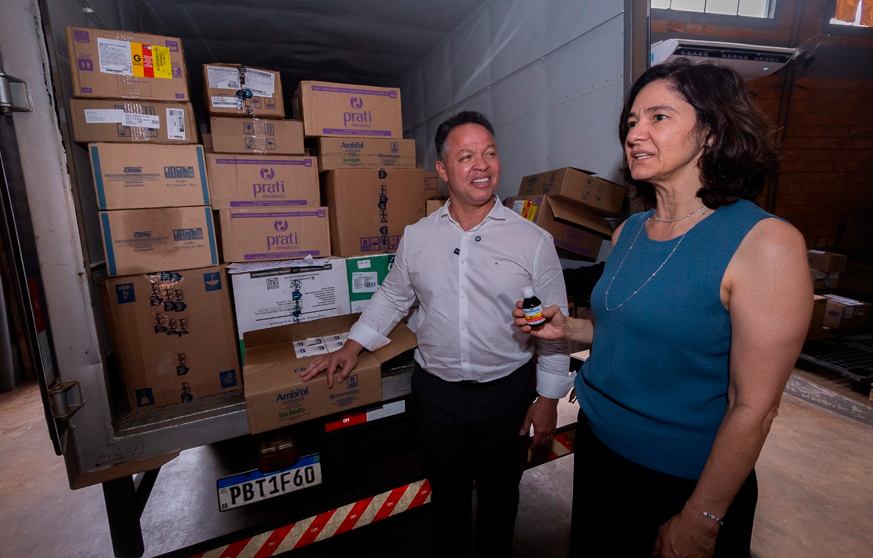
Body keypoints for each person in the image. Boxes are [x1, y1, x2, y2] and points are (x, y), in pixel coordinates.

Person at [514, 60, 813, 558]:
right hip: (598, 450)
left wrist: (702, 516)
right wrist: (569, 328)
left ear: (713, 132)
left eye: (659, 117)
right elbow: (628, 328)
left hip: (682, 478)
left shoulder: (766, 244)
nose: (635, 134)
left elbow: (754, 406)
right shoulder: (629, 231)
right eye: (631, 121)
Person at [301, 110, 574, 557]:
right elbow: (392, 297)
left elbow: (553, 328)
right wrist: (352, 346)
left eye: (489, 153)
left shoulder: (533, 241)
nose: (482, 165)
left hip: (506, 395)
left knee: (500, 503)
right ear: (444, 171)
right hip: (437, 396)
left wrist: (547, 399)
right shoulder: (418, 236)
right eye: (466, 156)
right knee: (446, 503)